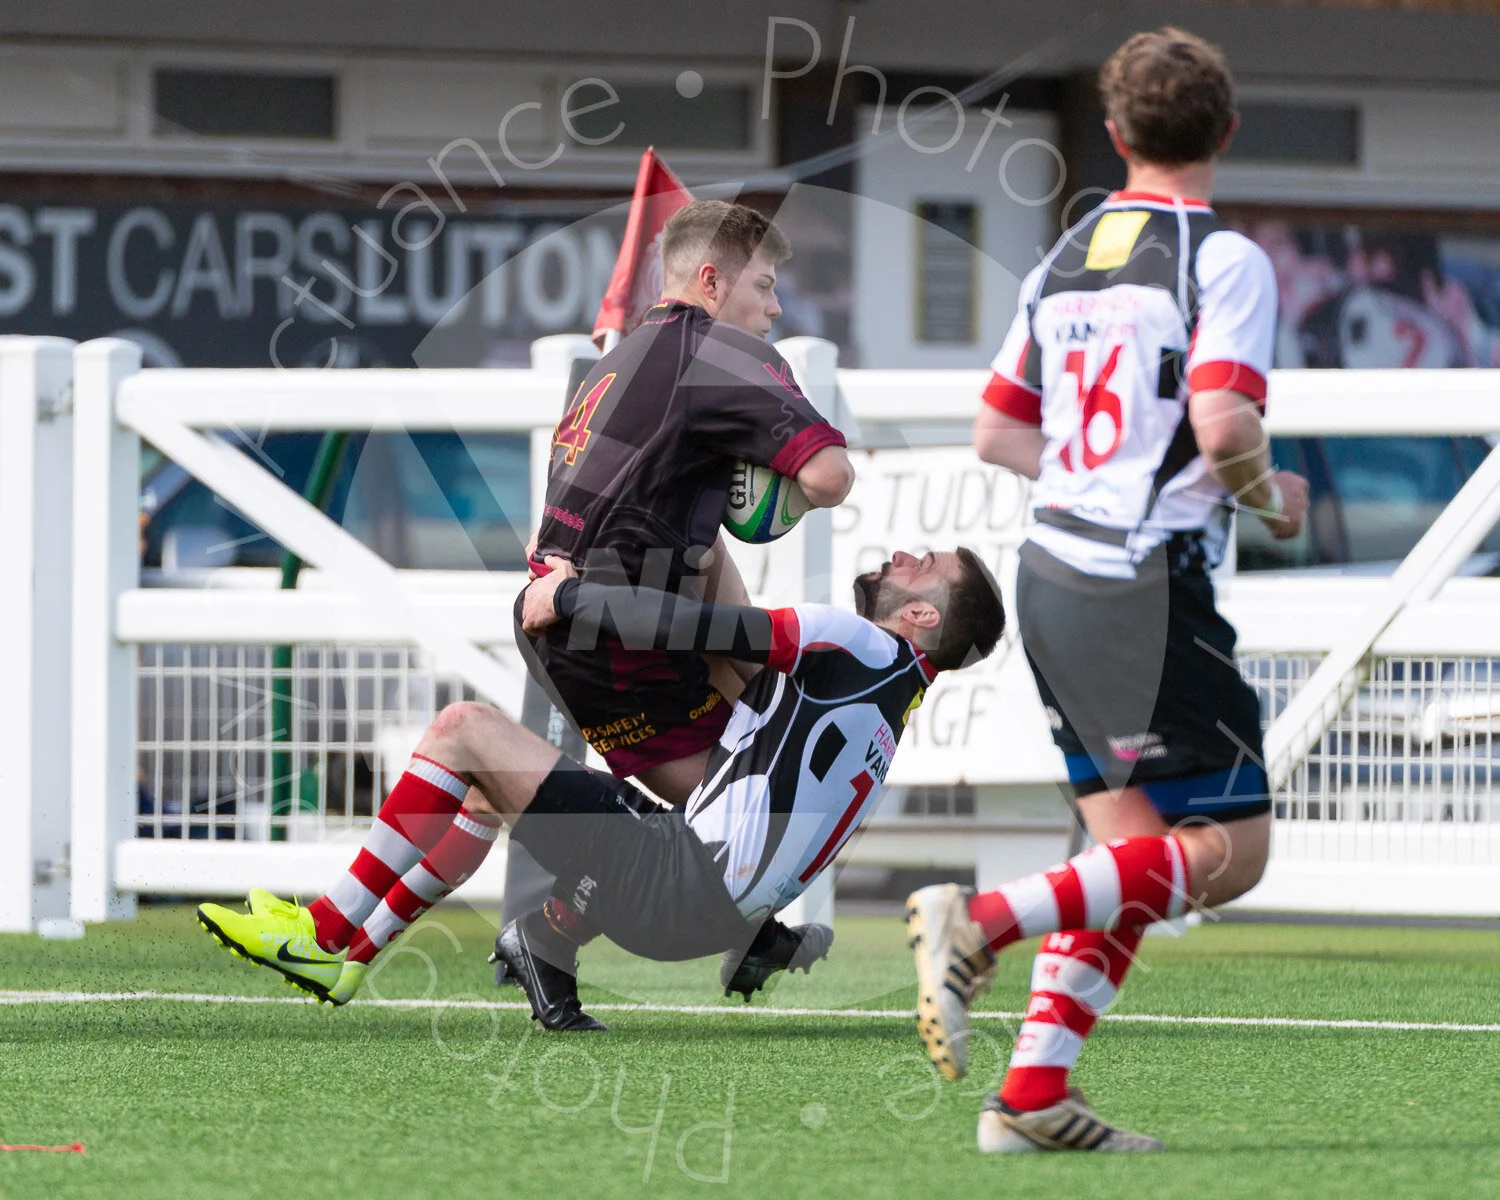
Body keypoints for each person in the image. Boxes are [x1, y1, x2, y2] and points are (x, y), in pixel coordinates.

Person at [906, 27, 1311, 1154]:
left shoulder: (1066, 256)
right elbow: (1225, 423)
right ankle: (975, 923)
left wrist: (1098, 475)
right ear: (1225, 131)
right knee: (1232, 852)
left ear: (1118, 134)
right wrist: (1270, 497)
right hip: (1147, 585)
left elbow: (998, 430)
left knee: (1125, 857)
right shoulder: (1223, 260)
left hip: (1053, 574)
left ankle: (1032, 1098)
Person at [197, 547, 1005, 1023]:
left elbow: (708, 631)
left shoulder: (856, 639)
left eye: (922, 565)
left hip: (674, 882)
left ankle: (326, 932)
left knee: (460, 730)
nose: (901, 556)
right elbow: (740, 674)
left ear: (924, 617)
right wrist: (712, 543)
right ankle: (357, 956)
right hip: (708, 917)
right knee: (484, 789)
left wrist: (569, 594)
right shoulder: (892, 700)